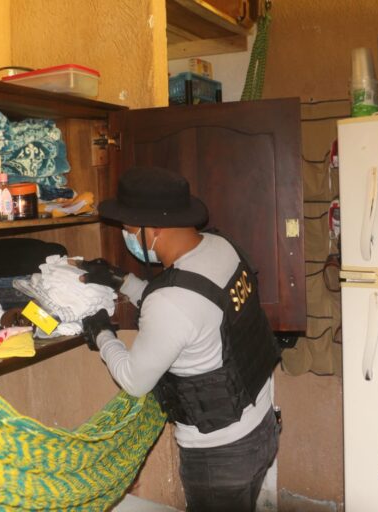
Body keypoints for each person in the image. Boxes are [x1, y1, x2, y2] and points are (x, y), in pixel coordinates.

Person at [81, 166, 281, 512]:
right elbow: (193, 309)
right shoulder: (221, 247)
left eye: (129, 230)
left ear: (153, 229)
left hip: (219, 457)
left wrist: (102, 333)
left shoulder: (170, 302)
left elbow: (134, 379)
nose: (127, 236)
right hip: (260, 427)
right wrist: (122, 280)